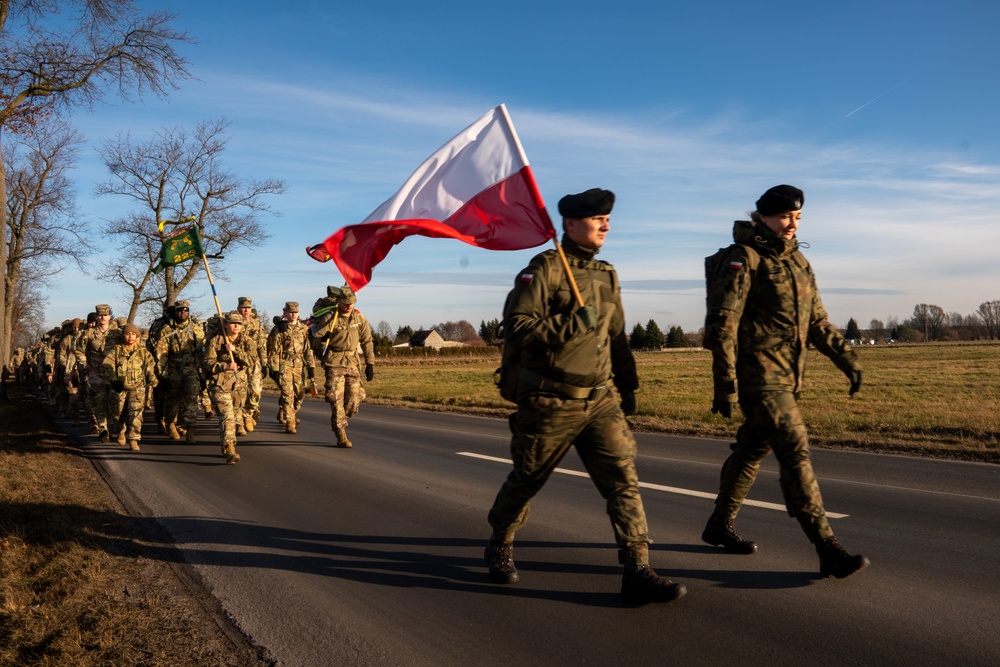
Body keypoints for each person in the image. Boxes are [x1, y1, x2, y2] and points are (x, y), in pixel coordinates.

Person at [484, 188, 685, 605]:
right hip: (550, 401)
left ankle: (637, 568)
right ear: (571, 224)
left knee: (623, 482)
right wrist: (572, 323)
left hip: (600, 399)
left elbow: (616, 337)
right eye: (598, 218)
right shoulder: (544, 270)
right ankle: (500, 542)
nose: (606, 225)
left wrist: (627, 385)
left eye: (608, 218)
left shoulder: (607, 273)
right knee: (527, 481)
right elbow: (517, 328)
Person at [702, 184, 869, 579]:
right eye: (783, 217)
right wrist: (725, 382)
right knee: (795, 451)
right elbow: (722, 325)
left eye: (797, 217)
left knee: (751, 449)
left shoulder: (798, 264)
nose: (792, 224)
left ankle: (718, 525)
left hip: (788, 377)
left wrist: (848, 359)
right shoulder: (745, 258)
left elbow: (816, 321)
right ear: (762, 217)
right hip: (759, 377)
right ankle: (827, 547)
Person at [310, 285, 374, 448]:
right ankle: (341, 434)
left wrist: (370, 363)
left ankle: (342, 418)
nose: (349, 306)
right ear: (339, 301)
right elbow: (315, 342)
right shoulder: (330, 318)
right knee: (336, 399)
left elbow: (367, 341)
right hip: (334, 362)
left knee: (353, 401)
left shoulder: (359, 318)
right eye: (346, 303)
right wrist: (324, 338)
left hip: (352, 362)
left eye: (351, 303)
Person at [203, 311, 258, 464]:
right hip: (220, 384)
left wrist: (236, 351)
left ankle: (226, 444)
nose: (236, 326)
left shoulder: (247, 341)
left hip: (239, 385)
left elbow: (251, 362)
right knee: (227, 416)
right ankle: (230, 449)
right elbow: (207, 363)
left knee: (235, 416)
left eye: (239, 323)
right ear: (226, 324)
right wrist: (224, 366)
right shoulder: (216, 341)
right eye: (233, 323)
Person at [102, 323, 158, 451]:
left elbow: (150, 369)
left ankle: (133, 439)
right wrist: (114, 381)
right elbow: (107, 366)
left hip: (137, 388)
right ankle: (121, 430)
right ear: (123, 336)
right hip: (119, 388)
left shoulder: (143, 352)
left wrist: (154, 383)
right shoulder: (116, 351)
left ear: (137, 336)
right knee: (117, 413)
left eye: (133, 334)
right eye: (127, 334)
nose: (130, 337)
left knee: (136, 414)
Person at [155, 300, 205, 444]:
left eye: (185, 310)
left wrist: (203, 374)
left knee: (192, 399)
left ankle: (190, 429)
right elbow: (162, 354)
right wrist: (162, 375)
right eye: (180, 310)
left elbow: (202, 351)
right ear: (175, 311)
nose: (183, 312)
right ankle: (170, 423)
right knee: (172, 399)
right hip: (173, 369)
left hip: (191, 369)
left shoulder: (196, 329)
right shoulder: (167, 329)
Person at [267, 302, 316, 434]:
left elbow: (307, 349)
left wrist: (311, 366)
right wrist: (275, 369)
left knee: (299, 393)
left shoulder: (303, 329)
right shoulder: (280, 329)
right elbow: (274, 350)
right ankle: (290, 422)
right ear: (286, 313)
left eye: (295, 312)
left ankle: (286, 412)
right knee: (288, 393)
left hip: (299, 365)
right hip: (285, 364)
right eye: (291, 312)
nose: (293, 314)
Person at [77, 304, 122, 440]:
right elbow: (79, 351)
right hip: (95, 371)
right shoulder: (88, 334)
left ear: (109, 317)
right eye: (100, 315)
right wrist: (85, 367)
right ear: (97, 316)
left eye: (105, 315)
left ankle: (113, 424)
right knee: (99, 398)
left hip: (112, 372)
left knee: (114, 399)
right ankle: (103, 427)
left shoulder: (117, 334)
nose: (103, 318)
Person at [236, 296, 267, 432]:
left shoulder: (256, 324)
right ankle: (240, 420)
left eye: (248, 308)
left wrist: (264, 363)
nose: (246, 310)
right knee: (239, 393)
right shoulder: (234, 322)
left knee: (255, 391)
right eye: (243, 308)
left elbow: (262, 345)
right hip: (238, 363)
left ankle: (248, 413)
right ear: (238, 309)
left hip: (254, 363)